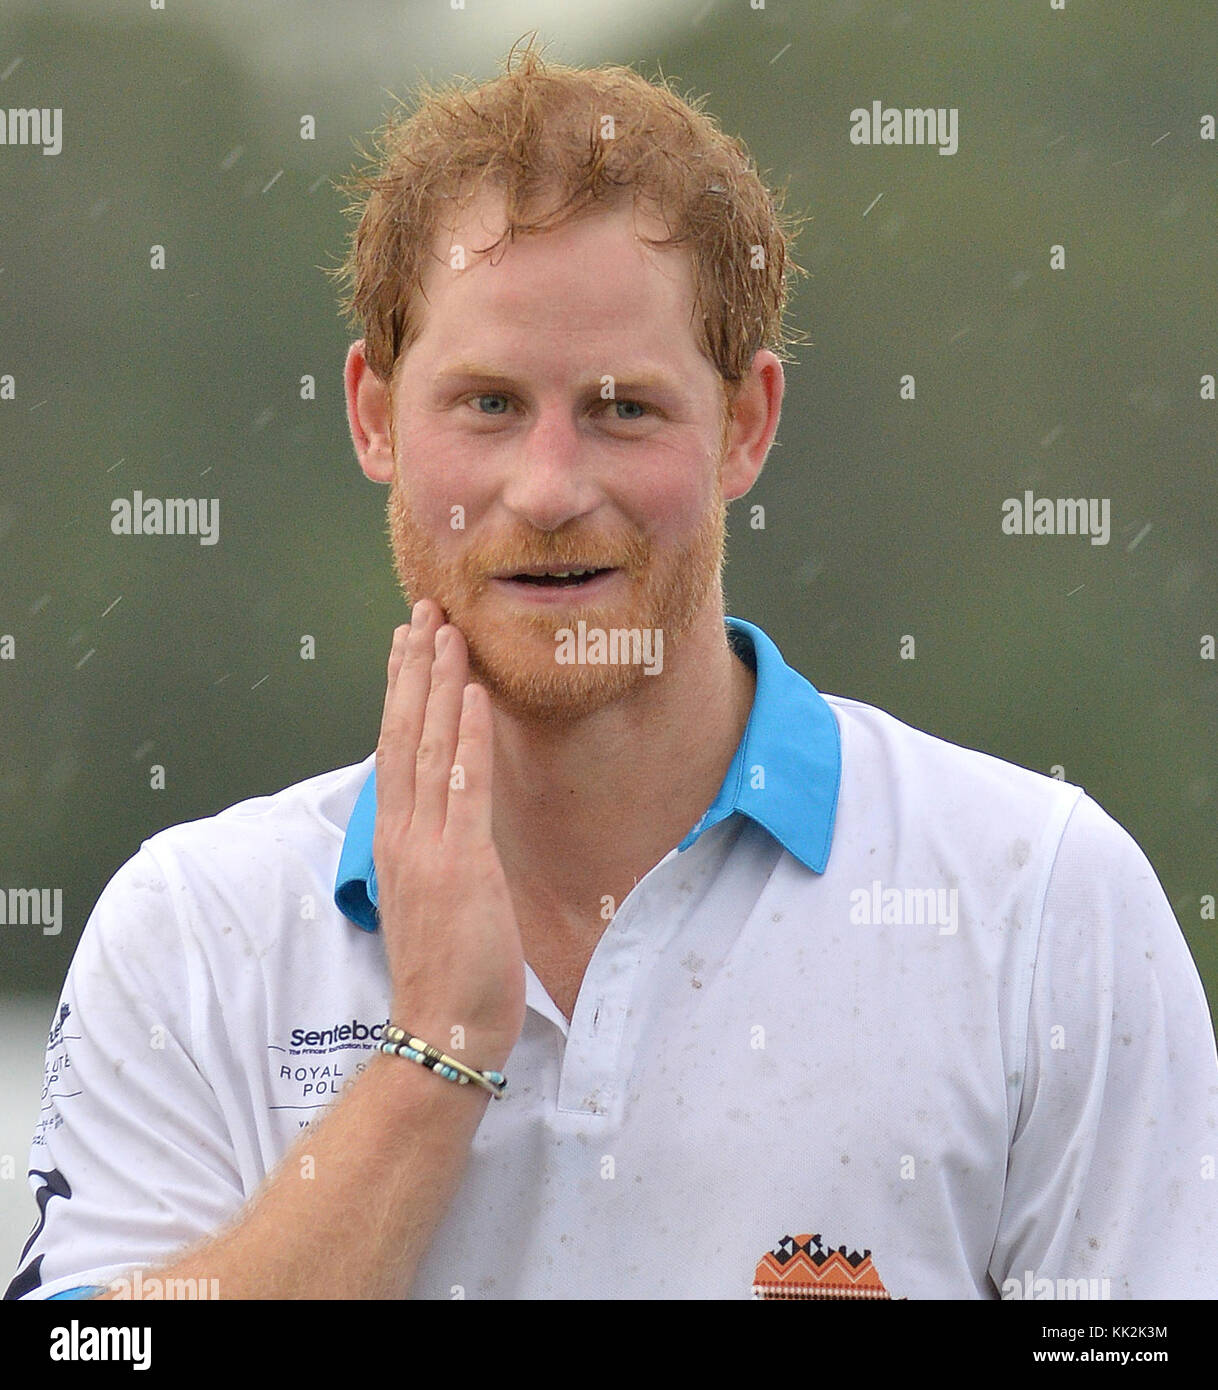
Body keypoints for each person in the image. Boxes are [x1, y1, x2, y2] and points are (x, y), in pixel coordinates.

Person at [8, 36, 1217, 1303]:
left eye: (622, 409)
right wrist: (432, 1060)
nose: (547, 488)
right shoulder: (192, 933)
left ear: (747, 423)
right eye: (484, 404)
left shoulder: (1042, 903)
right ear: (372, 415)